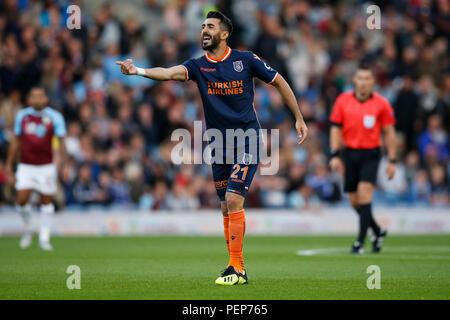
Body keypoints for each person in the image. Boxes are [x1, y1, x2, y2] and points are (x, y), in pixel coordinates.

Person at [116, 11, 308, 285]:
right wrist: (138, 71)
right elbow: (169, 73)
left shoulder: (246, 60)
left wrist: (298, 118)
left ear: (224, 34)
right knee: (224, 207)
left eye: (210, 27)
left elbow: (279, 81)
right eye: (202, 26)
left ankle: (237, 268)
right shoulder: (197, 66)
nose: (204, 30)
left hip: (247, 140)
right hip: (218, 144)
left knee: (233, 199)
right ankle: (235, 266)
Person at [328, 62, 397, 254]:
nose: (364, 82)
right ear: (354, 80)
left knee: (364, 193)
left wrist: (392, 160)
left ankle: (359, 242)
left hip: (371, 154)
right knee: (354, 200)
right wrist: (334, 154)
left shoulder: (381, 103)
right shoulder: (343, 100)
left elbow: (389, 133)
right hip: (350, 153)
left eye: (368, 78)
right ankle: (377, 230)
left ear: (373, 81)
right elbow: (335, 127)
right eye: (361, 78)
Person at [5, 87, 67, 251]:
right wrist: (8, 164)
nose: (37, 99)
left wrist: (65, 165)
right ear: (29, 99)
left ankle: (44, 237)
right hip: (26, 165)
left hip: (46, 166)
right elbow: (16, 141)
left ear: (46, 99)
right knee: (21, 200)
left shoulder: (55, 117)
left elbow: (62, 142)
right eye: (34, 96)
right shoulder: (22, 116)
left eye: (41, 96)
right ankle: (28, 228)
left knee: (46, 201)